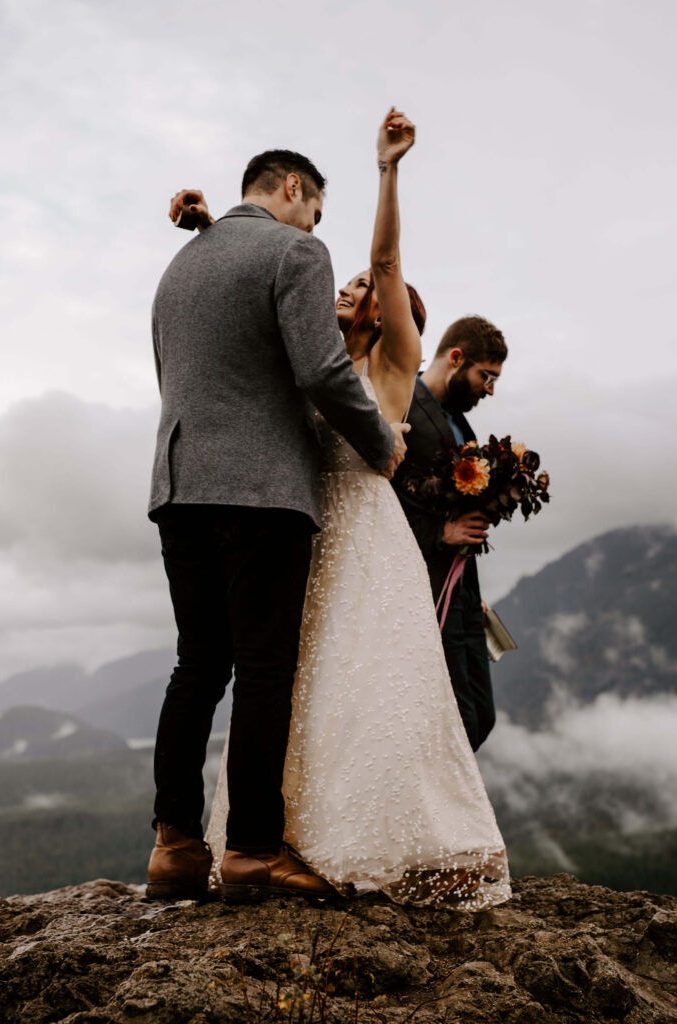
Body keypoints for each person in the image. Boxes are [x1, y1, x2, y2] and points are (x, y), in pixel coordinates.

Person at [176, 108, 510, 909]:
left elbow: (385, 258)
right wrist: (211, 228)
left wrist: (387, 169)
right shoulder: (305, 358)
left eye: (364, 287)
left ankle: (384, 840)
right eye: (348, 284)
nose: (353, 288)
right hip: (294, 531)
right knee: (290, 694)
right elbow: (250, 296)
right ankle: (287, 840)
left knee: (371, 692)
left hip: (362, 538)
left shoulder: (391, 367)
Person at [145, 144, 412, 902]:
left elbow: (177, 376)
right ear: (294, 189)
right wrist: (379, 441)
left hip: (178, 482)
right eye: (316, 209)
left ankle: (174, 847)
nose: (314, 223)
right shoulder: (297, 252)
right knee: (264, 669)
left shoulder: (179, 267)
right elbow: (321, 369)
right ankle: (253, 854)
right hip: (261, 494)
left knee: (197, 666)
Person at [391, 319, 508, 751]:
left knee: (482, 715)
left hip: (462, 589)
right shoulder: (403, 405)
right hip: (424, 588)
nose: (490, 388)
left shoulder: (464, 426)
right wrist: (443, 531)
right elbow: (380, 501)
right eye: (486, 376)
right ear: (456, 359)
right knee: (457, 721)